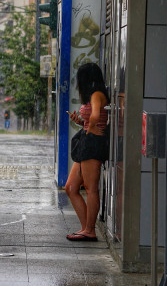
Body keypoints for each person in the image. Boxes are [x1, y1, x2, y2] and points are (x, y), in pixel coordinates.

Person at [65, 62, 110, 242]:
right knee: (71, 187)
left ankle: (90, 230)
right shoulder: (94, 95)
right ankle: (86, 228)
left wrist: (90, 127)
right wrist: (80, 122)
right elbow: (90, 119)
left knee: (91, 188)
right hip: (87, 142)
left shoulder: (97, 95)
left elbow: (95, 115)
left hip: (93, 144)